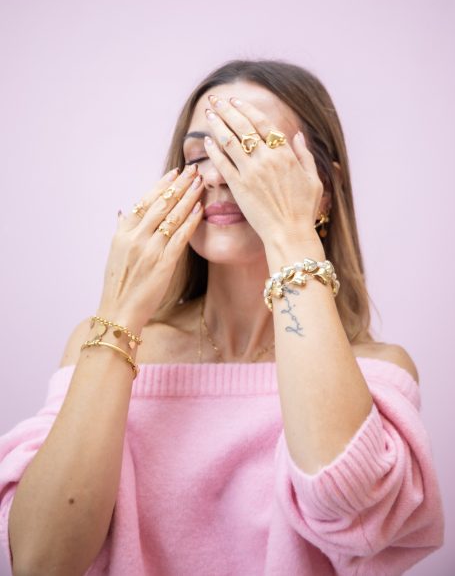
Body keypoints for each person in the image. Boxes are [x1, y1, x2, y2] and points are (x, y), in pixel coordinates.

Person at [0, 59, 444, 575]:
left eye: (252, 151)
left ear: (323, 189)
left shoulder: (375, 371)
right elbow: (41, 560)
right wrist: (119, 311)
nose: (216, 175)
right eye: (200, 155)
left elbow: (345, 501)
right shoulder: (111, 342)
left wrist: (290, 232)